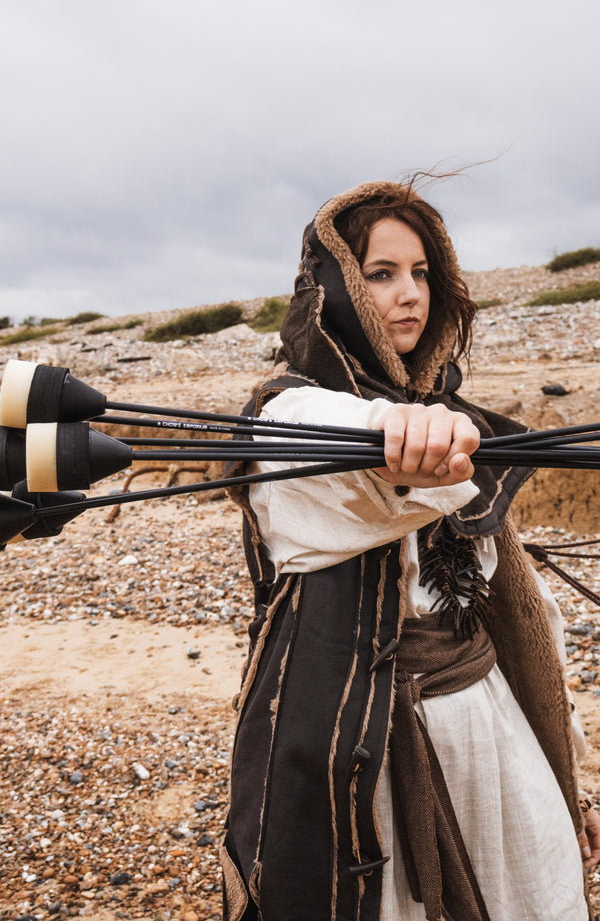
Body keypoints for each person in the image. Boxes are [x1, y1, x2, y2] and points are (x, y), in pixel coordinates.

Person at [220, 179, 600, 921]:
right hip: (361, 744)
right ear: (333, 289)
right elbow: (348, 454)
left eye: (422, 273)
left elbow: (526, 616)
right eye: (380, 274)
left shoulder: (451, 419)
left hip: (489, 723)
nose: (410, 294)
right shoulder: (285, 421)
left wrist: (570, 779)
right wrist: (396, 435)